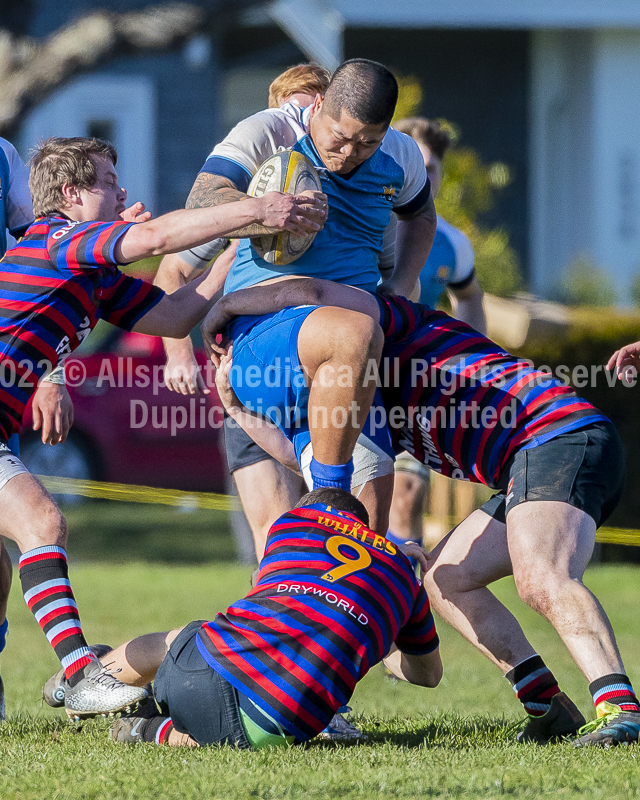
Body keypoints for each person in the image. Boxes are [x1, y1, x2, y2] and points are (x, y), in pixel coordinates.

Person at [203, 277, 639, 748]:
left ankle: (622, 712)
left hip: (558, 435)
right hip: (523, 463)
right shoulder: (367, 405)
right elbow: (311, 458)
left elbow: (316, 294)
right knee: (444, 577)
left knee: (541, 575)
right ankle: (546, 706)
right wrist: (237, 409)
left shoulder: (398, 321)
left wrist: (223, 306)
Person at [0, 134, 323, 720]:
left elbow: (174, 313)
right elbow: (152, 238)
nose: (123, 191)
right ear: (71, 195)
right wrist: (256, 208)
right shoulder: (57, 240)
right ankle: (81, 676)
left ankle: (75, 675)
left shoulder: (88, 272)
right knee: (41, 520)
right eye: (106, 182)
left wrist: (238, 244)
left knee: (22, 541)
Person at [154, 58, 437, 539]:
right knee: (278, 539)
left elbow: (422, 215)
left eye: (366, 143)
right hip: (265, 339)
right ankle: (330, 498)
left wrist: (402, 285)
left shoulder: (400, 156)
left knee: (365, 542)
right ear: (319, 104)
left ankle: (327, 549)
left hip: (351, 368)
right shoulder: (268, 133)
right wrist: (264, 211)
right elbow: (202, 201)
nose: (349, 154)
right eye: (340, 138)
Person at [45, 488, 441, 748]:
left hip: (197, 671)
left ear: (313, 512)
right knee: (242, 735)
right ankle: (147, 730)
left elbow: (264, 590)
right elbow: (428, 675)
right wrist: (377, 634)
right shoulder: (404, 575)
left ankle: (88, 679)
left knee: (186, 635)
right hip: (270, 727)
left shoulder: (291, 524)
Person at [385, 117, 487, 557]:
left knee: (407, 495)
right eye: (417, 166)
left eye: (433, 170)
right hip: (352, 378)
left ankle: (404, 610)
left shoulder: (452, 242)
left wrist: (471, 363)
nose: (425, 177)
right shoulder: (368, 224)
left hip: (412, 385)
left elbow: (470, 296)